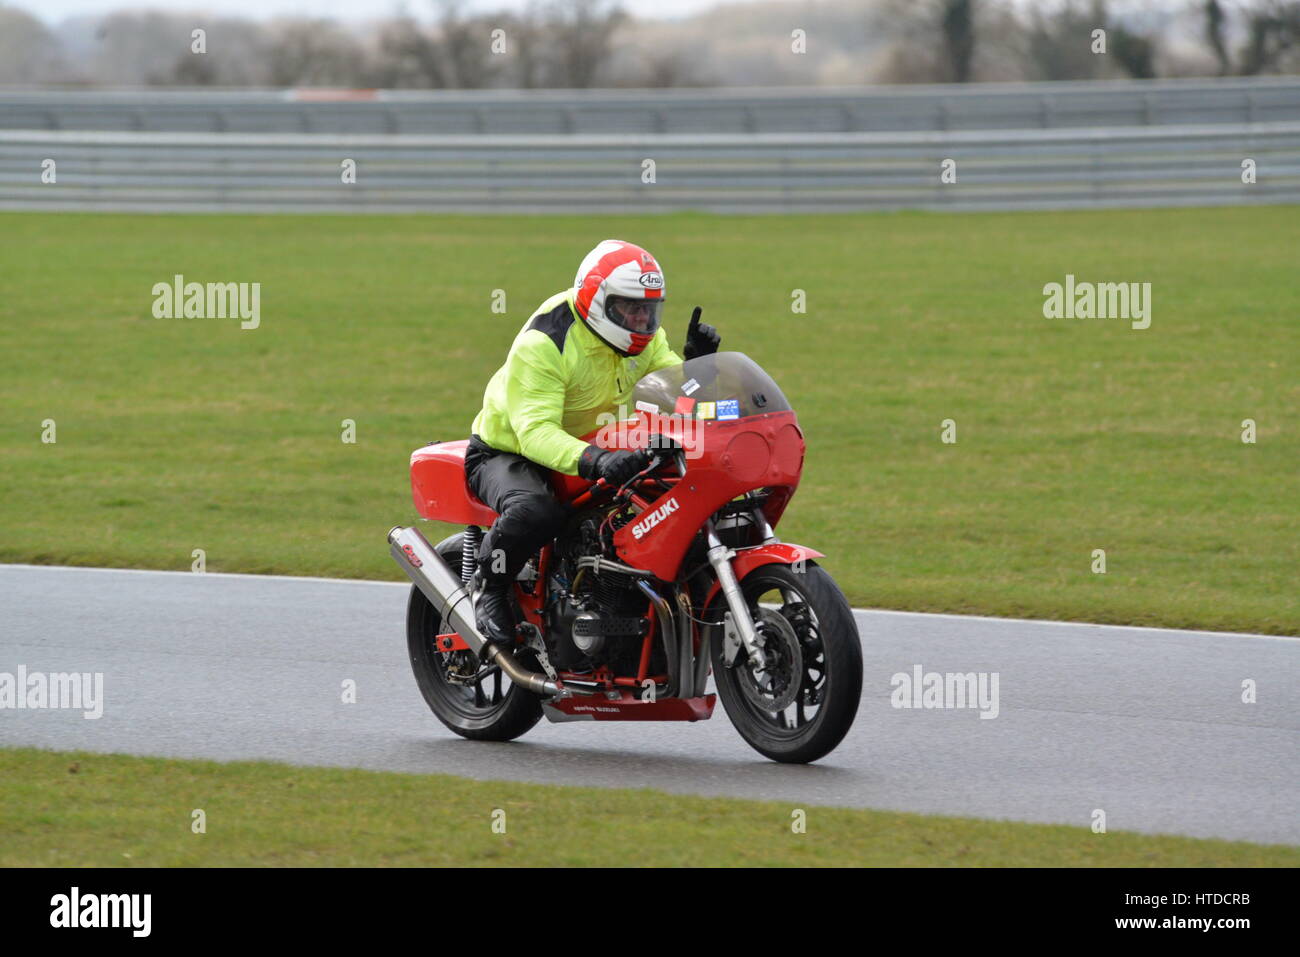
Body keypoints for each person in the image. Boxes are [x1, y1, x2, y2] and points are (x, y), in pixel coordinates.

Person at [464, 239, 720, 648]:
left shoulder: (643, 334)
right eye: (630, 307)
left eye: (649, 309)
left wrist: (696, 369)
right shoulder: (546, 343)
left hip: (597, 443)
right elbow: (535, 433)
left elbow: (670, 391)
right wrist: (597, 460)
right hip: (508, 450)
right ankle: (488, 587)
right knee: (536, 511)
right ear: (597, 301)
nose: (641, 319)